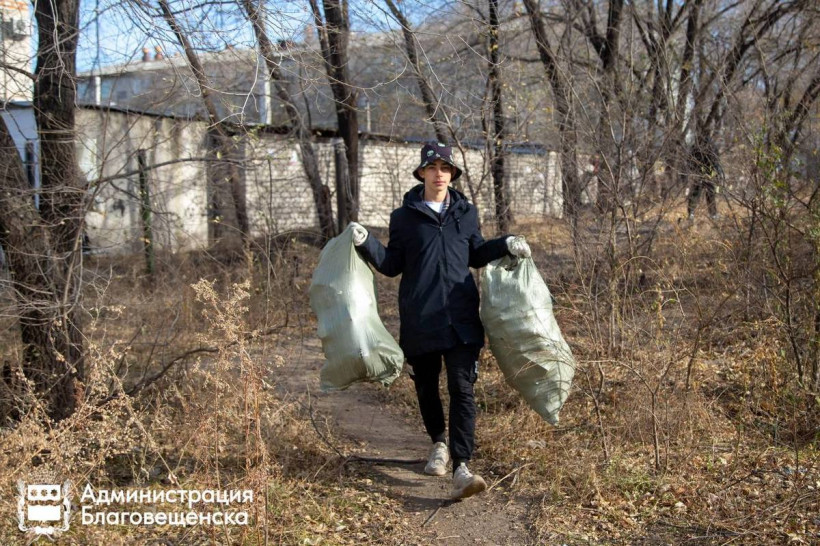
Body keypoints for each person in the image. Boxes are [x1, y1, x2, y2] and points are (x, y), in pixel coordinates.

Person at [349, 142, 531, 500]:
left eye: (445, 168)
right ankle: (439, 443)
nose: (439, 174)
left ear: (452, 174)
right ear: (421, 173)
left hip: (461, 316)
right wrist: (366, 242)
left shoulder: (466, 212)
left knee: (462, 388)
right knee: (426, 386)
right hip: (420, 316)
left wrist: (506, 243)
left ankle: (462, 466)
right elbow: (392, 264)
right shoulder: (404, 217)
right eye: (432, 168)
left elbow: (476, 254)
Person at [687, 136, 724, 220]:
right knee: (703, 194)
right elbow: (716, 162)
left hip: (703, 174)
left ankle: (693, 213)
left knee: (704, 194)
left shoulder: (698, 145)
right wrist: (717, 174)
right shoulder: (710, 145)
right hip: (704, 174)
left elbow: (689, 161)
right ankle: (711, 214)